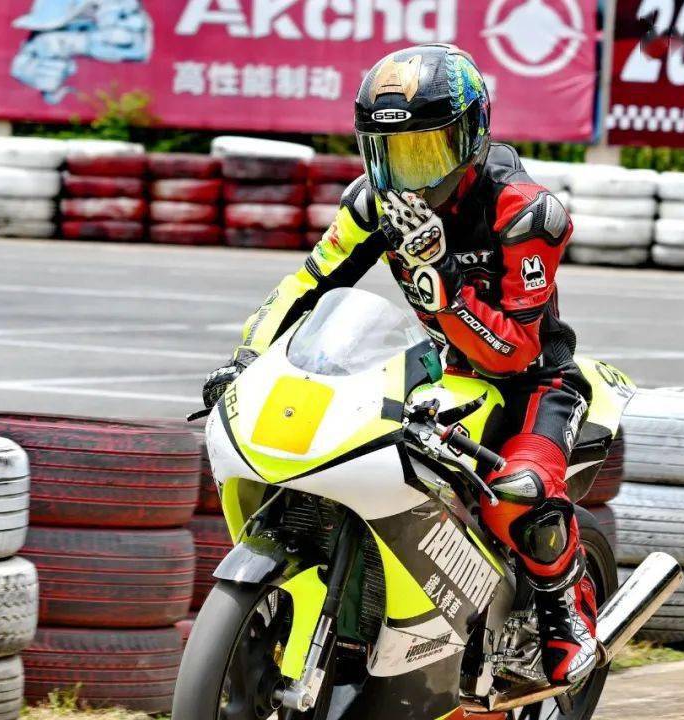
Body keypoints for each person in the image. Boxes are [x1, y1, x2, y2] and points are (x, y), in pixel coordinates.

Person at [202, 44, 597, 686]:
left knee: (517, 495)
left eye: (425, 152)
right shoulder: (372, 205)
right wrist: (246, 358)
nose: (409, 177)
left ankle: (563, 614)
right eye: (392, 154)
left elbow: (517, 349)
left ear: (470, 138)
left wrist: (445, 288)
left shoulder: (526, 213)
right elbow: (306, 285)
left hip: (534, 383)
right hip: (441, 370)